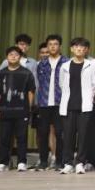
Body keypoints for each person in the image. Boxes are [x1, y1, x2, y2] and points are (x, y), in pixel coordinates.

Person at [0, 46, 36, 172]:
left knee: (22, 138)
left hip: (22, 110)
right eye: (11, 54)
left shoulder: (26, 73)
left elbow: (31, 91)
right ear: (7, 57)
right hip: (4, 110)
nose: (13, 57)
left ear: (20, 57)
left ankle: (22, 162)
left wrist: (29, 107)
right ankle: (3, 163)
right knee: (4, 138)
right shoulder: (1, 73)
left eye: (16, 55)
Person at [59, 37, 95, 175]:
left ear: (86, 50)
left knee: (83, 136)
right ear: (72, 49)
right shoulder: (65, 66)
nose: (79, 49)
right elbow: (61, 84)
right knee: (68, 136)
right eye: (76, 46)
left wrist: (89, 96)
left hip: (85, 106)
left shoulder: (91, 65)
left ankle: (80, 162)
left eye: (82, 47)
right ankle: (68, 163)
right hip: (68, 106)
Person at [35, 34, 68, 171]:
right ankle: (43, 161)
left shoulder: (66, 62)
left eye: (55, 44)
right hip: (44, 103)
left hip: (60, 103)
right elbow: (39, 82)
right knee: (43, 133)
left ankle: (59, 161)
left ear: (60, 46)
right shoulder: (41, 63)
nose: (53, 47)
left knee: (60, 133)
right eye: (50, 44)